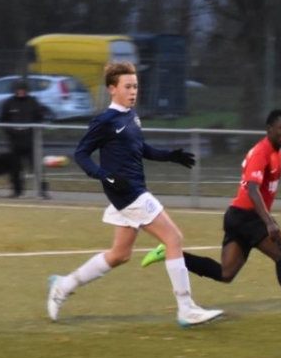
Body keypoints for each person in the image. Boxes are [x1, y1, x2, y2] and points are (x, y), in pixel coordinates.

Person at [46, 62, 223, 327]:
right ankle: (186, 309)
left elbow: (141, 148)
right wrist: (105, 175)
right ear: (112, 89)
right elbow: (81, 154)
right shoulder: (105, 120)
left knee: (120, 254)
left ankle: (64, 285)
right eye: (128, 87)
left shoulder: (131, 116)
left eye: (136, 86)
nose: (133, 92)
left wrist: (170, 156)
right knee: (174, 238)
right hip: (130, 194)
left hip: (131, 192)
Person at [139, 109, 281, 322]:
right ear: (269, 129)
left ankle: (172, 253)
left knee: (225, 273)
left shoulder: (277, 152)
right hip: (247, 217)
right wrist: (269, 222)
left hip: (238, 217)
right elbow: (252, 189)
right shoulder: (262, 152)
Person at [0, 79, 48, 198]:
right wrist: (10, 132)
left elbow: (40, 116)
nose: (21, 92)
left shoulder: (33, 102)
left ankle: (41, 191)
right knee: (15, 168)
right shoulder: (9, 103)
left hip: (31, 140)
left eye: (23, 90)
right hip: (15, 141)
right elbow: (3, 120)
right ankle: (17, 191)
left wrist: (42, 115)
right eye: (18, 90)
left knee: (36, 167)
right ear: (15, 90)